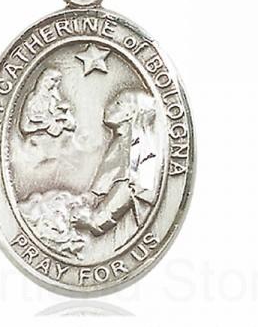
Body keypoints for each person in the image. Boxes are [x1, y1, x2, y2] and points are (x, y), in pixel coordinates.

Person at [72, 89, 160, 249]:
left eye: (118, 103)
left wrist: (95, 221)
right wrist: (89, 198)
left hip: (128, 228)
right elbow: (108, 176)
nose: (109, 106)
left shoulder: (138, 145)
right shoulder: (121, 141)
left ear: (130, 113)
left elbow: (129, 186)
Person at [20, 68, 76, 138]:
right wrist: (46, 124)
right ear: (45, 80)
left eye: (58, 81)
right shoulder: (33, 98)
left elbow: (71, 125)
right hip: (38, 137)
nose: (56, 84)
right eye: (54, 80)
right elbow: (25, 127)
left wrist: (63, 116)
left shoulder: (54, 98)